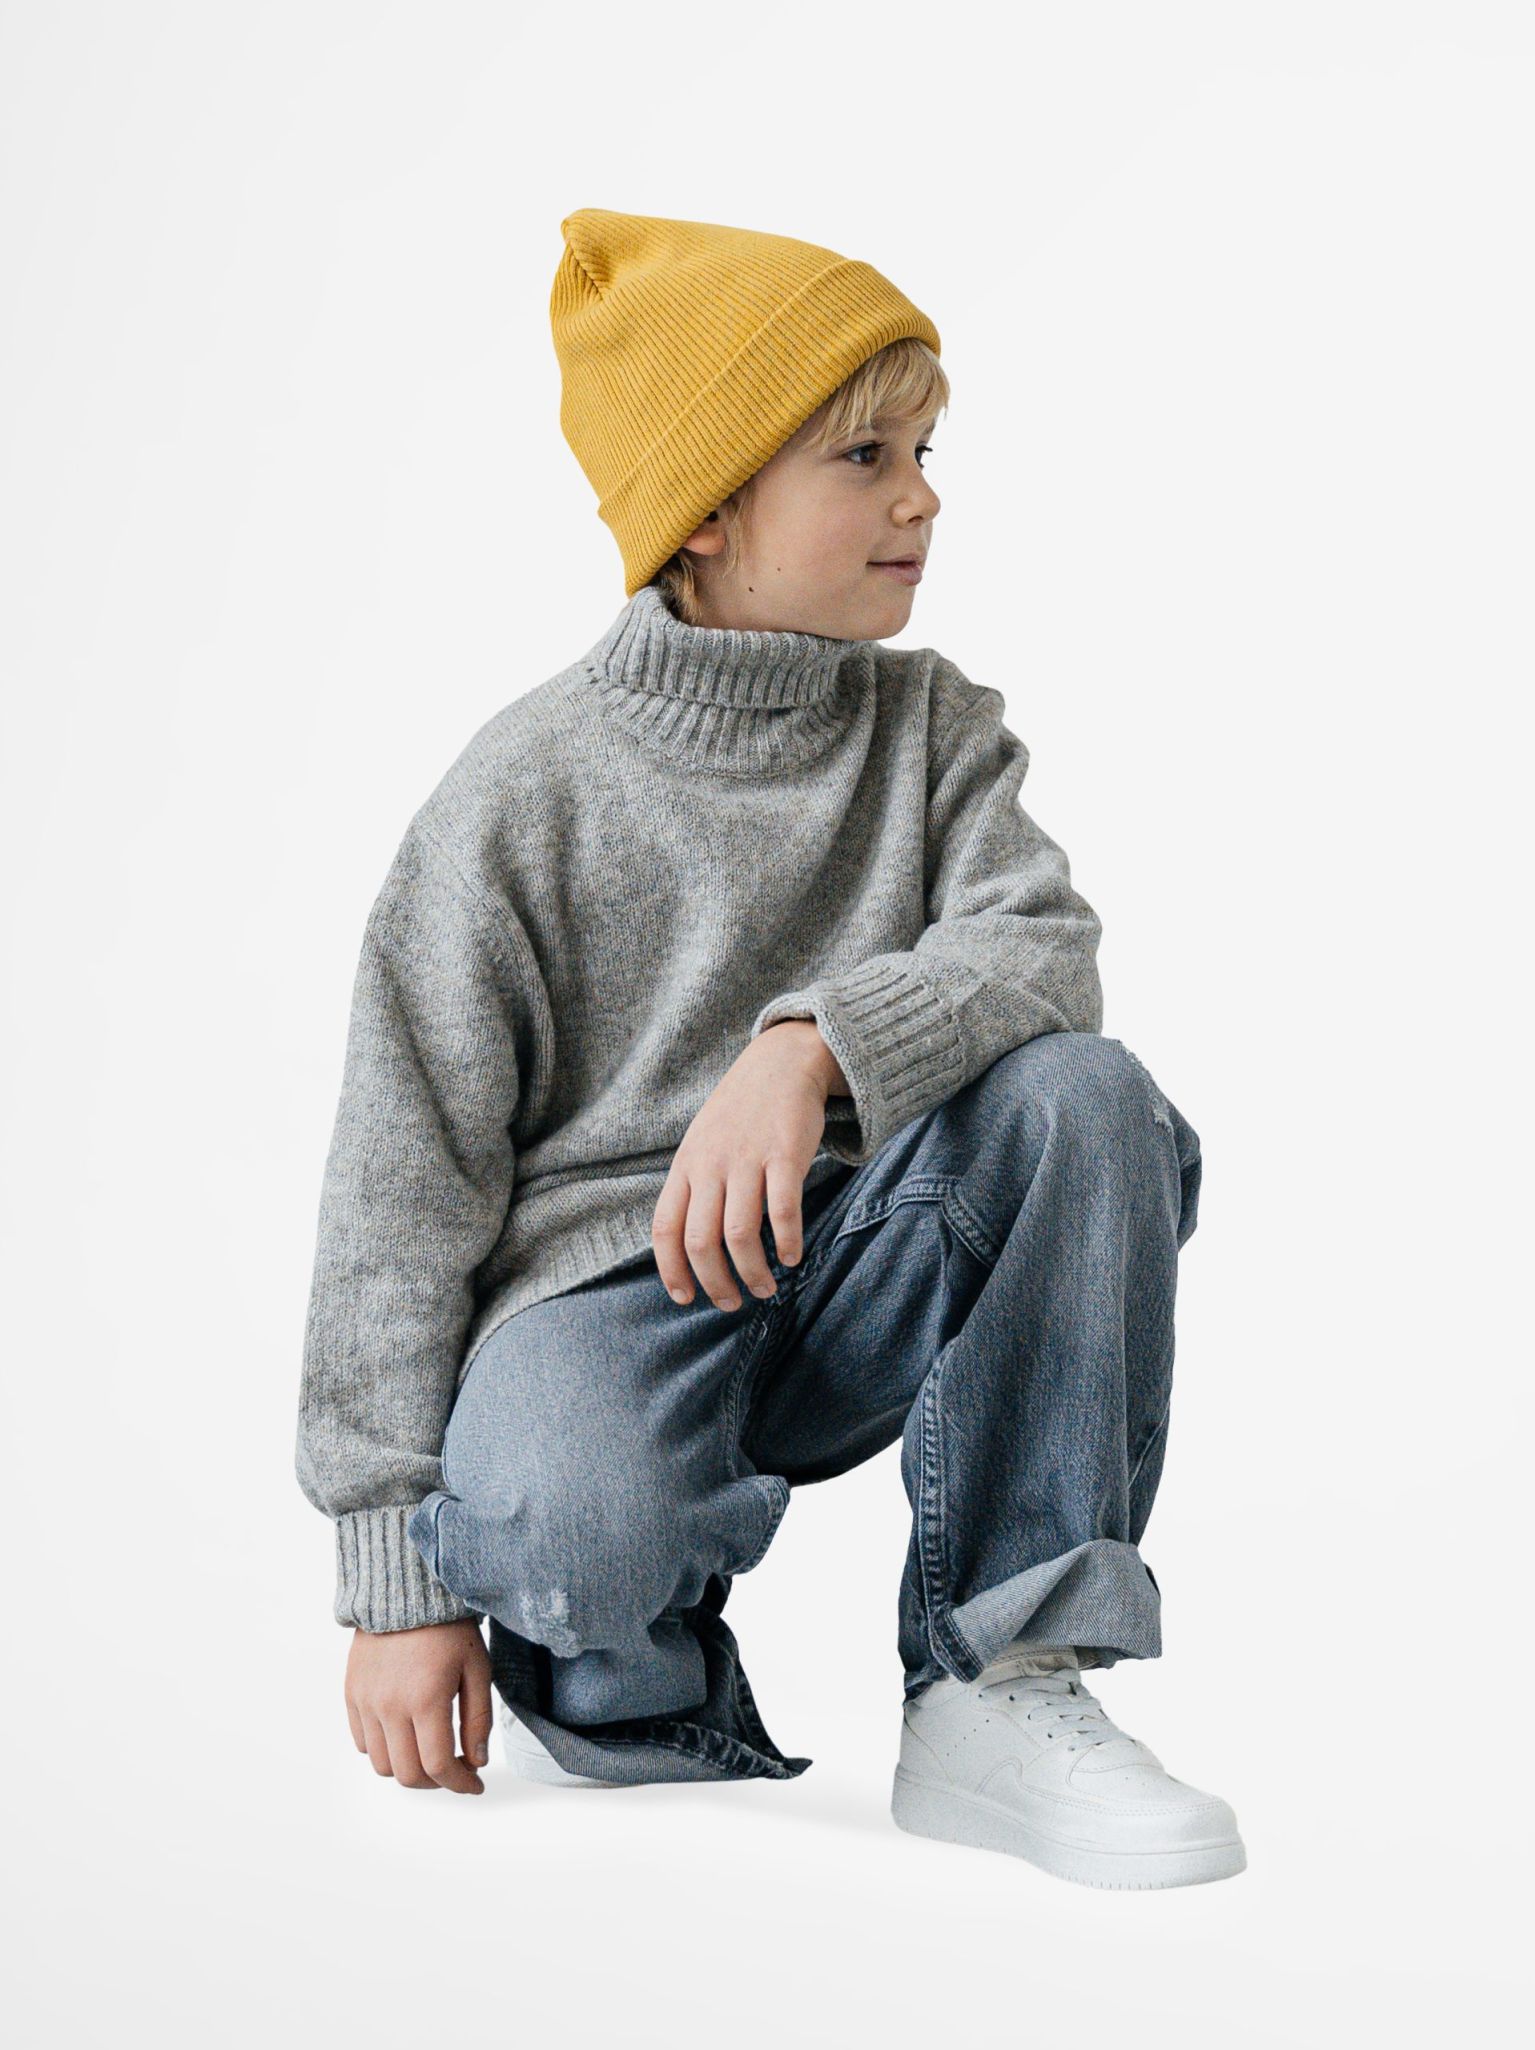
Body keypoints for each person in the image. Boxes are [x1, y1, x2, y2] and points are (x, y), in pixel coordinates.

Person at [294, 207, 1246, 1890]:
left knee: (1088, 1102)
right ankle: (631, 1680)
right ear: (709, 507)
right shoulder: (519, 795)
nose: (922, 498)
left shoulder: (935, 728)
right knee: (565, 1525)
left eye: (926, 452)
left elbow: (1045, 949)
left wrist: (812, 1044)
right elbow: (399, 1189)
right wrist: (397, 1583)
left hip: (868, 1250)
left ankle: (999, 1674)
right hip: (607, 1298)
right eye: (865, 457)